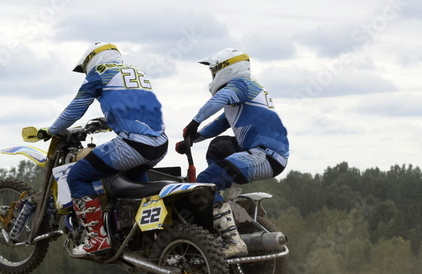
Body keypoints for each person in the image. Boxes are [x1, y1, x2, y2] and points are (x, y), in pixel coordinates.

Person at [41, 42, 167, 257]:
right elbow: (135, 107)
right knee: (135, 181)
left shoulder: (101, 72)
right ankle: (144, 233)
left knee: (78, 175)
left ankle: (97, 239)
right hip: (160, 145)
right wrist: (107, 122)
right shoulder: (137, 73)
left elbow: (76, 109)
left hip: (133, 145)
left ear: (93, 59)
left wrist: (51, 130)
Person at [175, 48, 289, 257]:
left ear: (225, 69)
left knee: (205, 183)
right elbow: (221, 122)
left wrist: (193, 122)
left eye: (213, 72)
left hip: (265, 155)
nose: (211, 78)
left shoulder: (241, 85)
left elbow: (219, 100)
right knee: (219, 146)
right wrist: (193, 139)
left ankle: (233, 241)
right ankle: (223, 202)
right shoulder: (245, 95)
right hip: (263, 153)